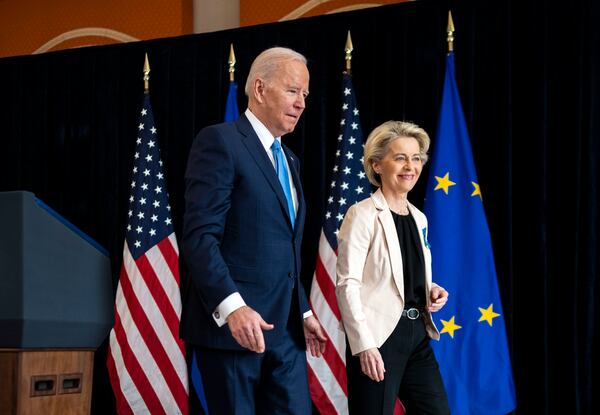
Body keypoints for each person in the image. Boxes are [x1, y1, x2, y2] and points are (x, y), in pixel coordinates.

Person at [180, 47, 327, 414]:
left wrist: (304, 312)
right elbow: (200, 238)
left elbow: (284, 247)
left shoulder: (289, 159)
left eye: (305, 95)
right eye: (293, 91)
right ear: (260, 89)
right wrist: (233, 309)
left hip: (287, 333)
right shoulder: (220, 142)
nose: (301, 103)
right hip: (234, 335)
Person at [335, 120, 451, 414]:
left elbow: (401, 275)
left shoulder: (419, 217)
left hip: (417, 333)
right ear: (376, 165)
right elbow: (347, 283)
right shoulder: (361, 214)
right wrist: (364, 345)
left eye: (415, 158)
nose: (409, 166)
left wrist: (430, 290)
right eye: (399, 158)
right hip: (378, 335)